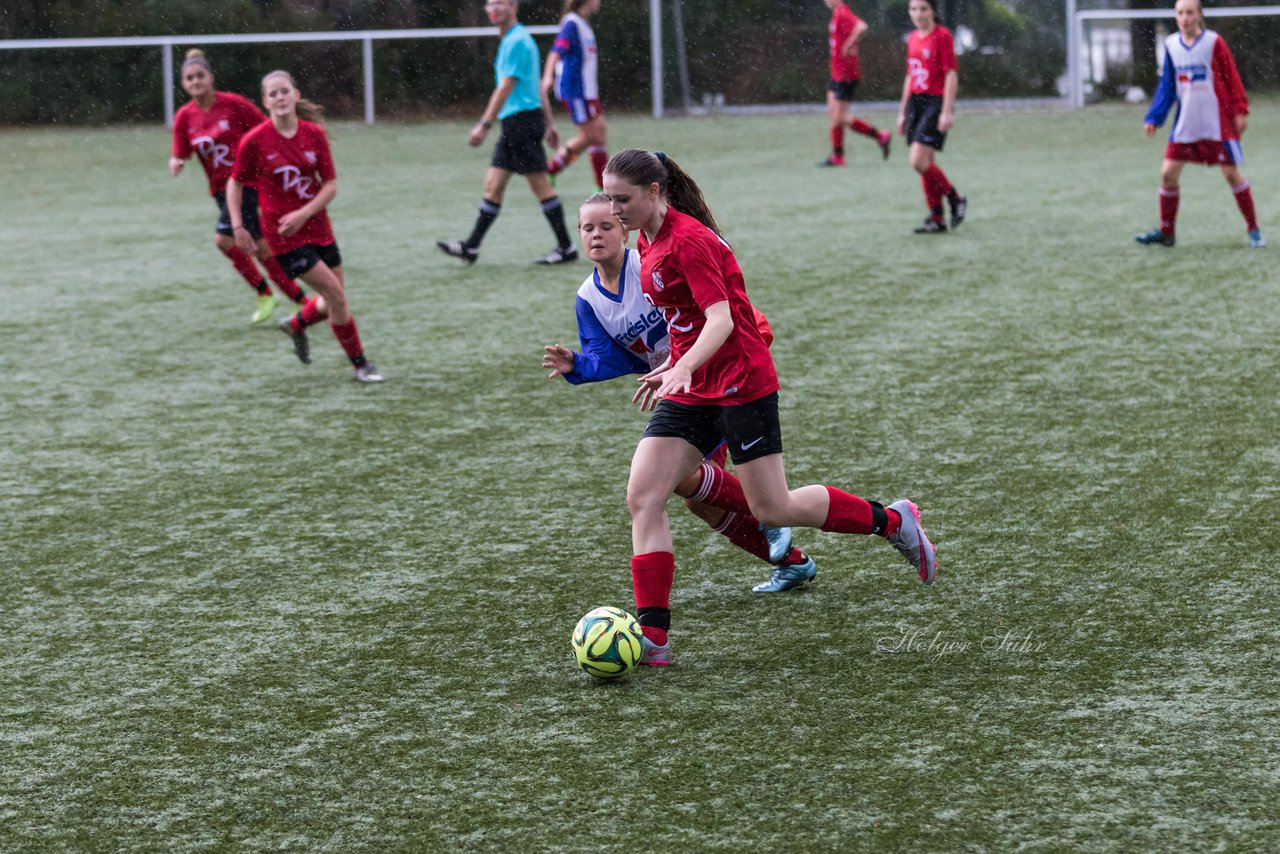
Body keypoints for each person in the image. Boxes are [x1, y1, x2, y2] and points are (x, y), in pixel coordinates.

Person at [602, 149, 936, 667]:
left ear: (653, 192)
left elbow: (721, 321)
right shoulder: (645, 240)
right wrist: (678, 368)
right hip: (692, 385)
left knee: (772, 508)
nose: (614, 209)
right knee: (644, 495)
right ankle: (654, 638)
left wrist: (682, 365)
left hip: (739, 382)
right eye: (609, 198)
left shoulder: (688, 241)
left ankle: (892, 521)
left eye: (623, 199)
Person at [542, 194, 819, 593]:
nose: (597, 235)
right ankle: (791, 561)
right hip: (683, 387)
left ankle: (770, 517)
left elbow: (726, 312)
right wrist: (578, 365)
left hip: (719, 377)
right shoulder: (588, 299)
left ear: (625, 228)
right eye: (588, 228)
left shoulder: (651, 262)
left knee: (685, 480)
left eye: (606, 225)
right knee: (696, 498)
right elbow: (610, 358)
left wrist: (746, 343)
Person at [226, 70, 383, 383]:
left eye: (284, 91)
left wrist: (304, 212)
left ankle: (296, 324)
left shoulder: (313, 134)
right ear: (265, 102)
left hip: (318, 227)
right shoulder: (255, 141)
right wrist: (238, 226)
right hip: (284, 235)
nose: (280, 98)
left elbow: (331, 185)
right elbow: (235, 184)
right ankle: (361, 366)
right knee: (337, 297)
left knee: (331, 301)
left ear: (296, 95)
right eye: (273, 94)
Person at [169, 49, 307, 324]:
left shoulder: (234, 105)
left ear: (211, 78)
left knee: (226, 240)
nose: (195, 81)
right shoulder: (185, 117)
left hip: (248, 183)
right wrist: (177, 160)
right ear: (184, 84)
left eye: (200, 76)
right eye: (189, 78)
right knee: (260, 247)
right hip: (221, 191)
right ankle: (298, 299)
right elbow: (181, 150)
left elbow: (267, 127)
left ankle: (273, 294)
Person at [437, 0, 578, 266]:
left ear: (513, 6)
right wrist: (549, 123)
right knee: (493, 185)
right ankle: (471, 247)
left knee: (540, 186)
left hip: (521, 123)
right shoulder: (515, 39)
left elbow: (506, 87)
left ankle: (566, 247)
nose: (494, 7)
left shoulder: (516, 41)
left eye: (500, 2)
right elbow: (535, 85)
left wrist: (484, 124)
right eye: (490, 2)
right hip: (518, 123)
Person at [1136, 0, 1262, 249]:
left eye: (1190, 12)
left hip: (1217, 123)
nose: (1185, 18)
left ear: (1200, 15)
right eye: (1180, 13)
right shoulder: (1172, 45)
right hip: (1187, 124)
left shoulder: (1214, 42)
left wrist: (1240, 109)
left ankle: (1254, 229)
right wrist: (1154, 117)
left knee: (1231, 174)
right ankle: (1167, 232)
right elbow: (1168, 86)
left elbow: (1231, 76)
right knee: (1168, 174)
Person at [896, 0, 967, 234]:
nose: (918, 14)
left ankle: (955, 198)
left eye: (923, 9)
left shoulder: (942, 36)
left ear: (933, 10)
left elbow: (951, 74)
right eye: (913, 9)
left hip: (935, 102)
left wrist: (947, 110)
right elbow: (910, 75)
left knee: (917, 161)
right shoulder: (913, 38)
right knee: (927, 163)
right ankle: (936, 218)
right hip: (917, 103)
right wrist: (903, 111)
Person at [541, 0, 609, 190]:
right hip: (575, 91)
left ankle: (552, 170)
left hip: (588, 91)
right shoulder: (571, 22)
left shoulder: (582, 23)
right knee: (592, 136)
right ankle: (602, 188)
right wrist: (547, 76)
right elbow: (556, 52)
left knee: (598, 134)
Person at [819, 0, 891, 167]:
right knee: (833, 113)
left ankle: (880, 136)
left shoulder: (843, 12)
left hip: (846, 74)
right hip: (837, 72)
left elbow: (862, 26)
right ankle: (838, 156)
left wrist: (850, 43)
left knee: (840, 116)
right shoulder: (837, 13)